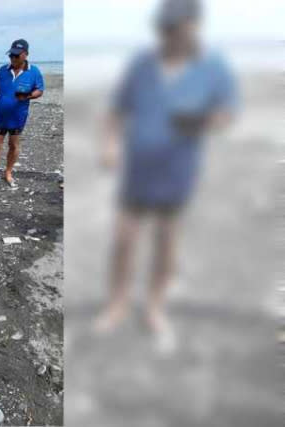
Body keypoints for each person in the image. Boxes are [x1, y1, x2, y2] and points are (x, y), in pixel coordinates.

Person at [94, 0, 237, 353]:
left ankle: (154, 308)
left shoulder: (213, 66)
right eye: (167, 28)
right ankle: (118, 304)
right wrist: (110, 146)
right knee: (125, 238)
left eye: (179, 27)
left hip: (178, 169)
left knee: (167, 240)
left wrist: (203, 120)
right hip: (139, 169)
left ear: (193, 26)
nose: (172, 34)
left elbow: (227, 113)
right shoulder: (143, 64)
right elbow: (116, 110)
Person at [0, 39, 45, 184]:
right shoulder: (2, 70)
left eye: (16, 55)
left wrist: (28, 96)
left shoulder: (34, 71)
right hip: (1, 116)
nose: (13, 58)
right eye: (11, 55)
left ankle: (8, 172)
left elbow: (40, 90)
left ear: (26, 54)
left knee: (13, 145)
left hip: (18, 116)